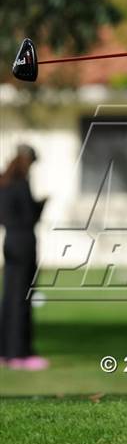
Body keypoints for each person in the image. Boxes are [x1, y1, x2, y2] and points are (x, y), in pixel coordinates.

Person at [0, 144, 49, 370]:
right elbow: (29, 217)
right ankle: (20, 353)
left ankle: (6, 351)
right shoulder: (21, 184)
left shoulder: (4, 183)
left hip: (9, 241)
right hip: (24, 242)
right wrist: (41, 205)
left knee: (9, 297)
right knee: (22, 298)